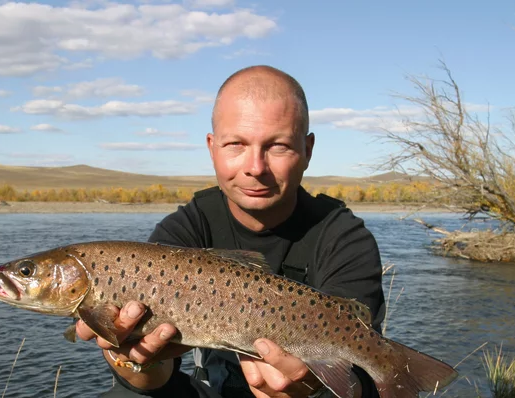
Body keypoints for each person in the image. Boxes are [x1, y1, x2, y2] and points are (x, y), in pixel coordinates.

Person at [76, 65, 387, 398]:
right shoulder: (182, 233)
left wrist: (309, 390)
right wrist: (136, 361)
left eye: (278, 146)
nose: (255, 167)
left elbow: (357, 380)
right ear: (212, 147)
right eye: (236, 144)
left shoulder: (344, 237)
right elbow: (154, 380)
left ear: (308, 150)